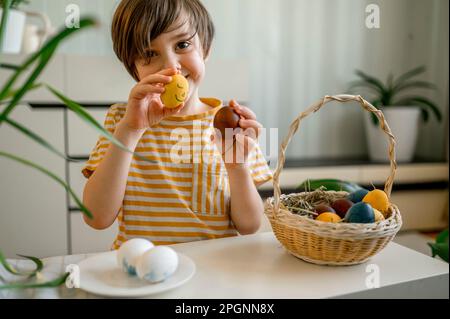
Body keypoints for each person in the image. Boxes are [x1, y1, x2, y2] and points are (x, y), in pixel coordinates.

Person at [82, 0, 272, 249]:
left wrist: (237, 167)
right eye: (150, 54)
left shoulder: (231, 127)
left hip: (215, 273)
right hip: (141, 272)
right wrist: (130, 131)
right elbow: (96, 217)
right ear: (133, 66)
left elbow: (249, 226)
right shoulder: (122, 120)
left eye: (183, 44)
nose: (171, 66)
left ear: (205, 48)